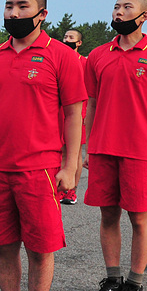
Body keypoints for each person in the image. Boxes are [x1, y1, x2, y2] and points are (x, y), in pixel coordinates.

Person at [0, 0, 85, 291]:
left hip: (39, 169)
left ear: (42, 14)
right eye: (9, 6)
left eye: (22, 6)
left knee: (40, 248)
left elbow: (74, 115)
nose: (13, 13)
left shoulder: (62, 56)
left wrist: (71, 166)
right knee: (3, 245)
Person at [85, 0, 147, 291]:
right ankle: (113, 279)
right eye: (116, 6)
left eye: (128, 7)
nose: (120, 12)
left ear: (144, 16)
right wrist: (87, 145)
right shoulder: (98, 55)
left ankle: (135, 282)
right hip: (102, 147)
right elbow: (92, 104)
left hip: (139, 149)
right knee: (108, 215)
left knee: (139, 218)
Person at [58, 29, 88, 204]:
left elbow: (89, 91)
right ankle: (62, 187)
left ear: (79, 43)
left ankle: (72, 190)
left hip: (78, 112)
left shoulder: (84, 62)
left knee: (74, 153)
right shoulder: (60, 58)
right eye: (65, 36)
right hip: (60, 111)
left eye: (71, 38)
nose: (67, 39)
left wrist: (85, 115)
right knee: (62, 151)